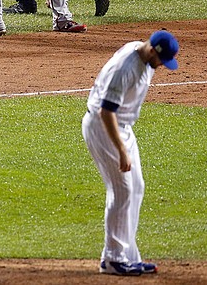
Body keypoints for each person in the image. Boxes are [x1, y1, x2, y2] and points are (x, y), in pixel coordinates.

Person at [82, 29, 179, 276]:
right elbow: (107, 112)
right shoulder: (127, 68)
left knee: (136, 187)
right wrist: (121, 151)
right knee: (122, 190)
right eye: (162, 60)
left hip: (121, 126)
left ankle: (128, 256)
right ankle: (113, 259)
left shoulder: (143, 54)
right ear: (152, 51)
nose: (162, 66)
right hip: (104, 127)